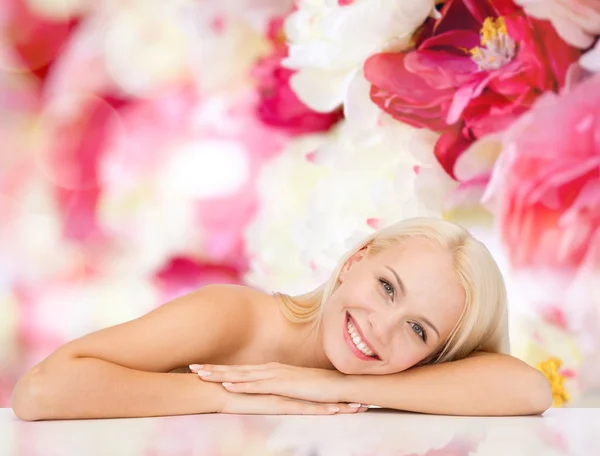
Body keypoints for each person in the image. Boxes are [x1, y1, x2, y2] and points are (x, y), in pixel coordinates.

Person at [11, 217, 552, 420]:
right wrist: (226, 397)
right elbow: (41, 391)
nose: (380, 328)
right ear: (357, 259)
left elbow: (529, 390)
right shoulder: (236, 317)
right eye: (387, 288)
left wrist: (317, 384)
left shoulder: (398, 378)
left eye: (418, 329)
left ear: (434, 356)